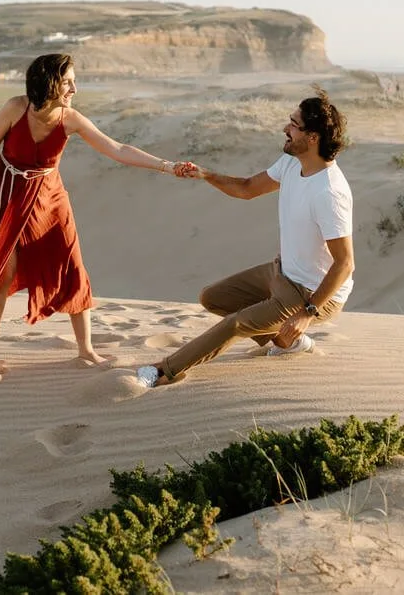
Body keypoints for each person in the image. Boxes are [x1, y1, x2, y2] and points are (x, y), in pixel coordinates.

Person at [0, 53, 188, 376]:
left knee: (73, 267)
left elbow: (117, 149)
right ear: (48, 83)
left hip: (50, 200)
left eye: (74, 82)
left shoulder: (70, 119)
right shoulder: (15, 108)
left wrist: (167, 166)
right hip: (6, 195)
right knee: (1, 273)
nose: (74, 89)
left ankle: (86, 349)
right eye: (67, 82)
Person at [140, 88, 354, 387]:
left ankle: (163, 372)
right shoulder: (292, 163)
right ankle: (289, 343)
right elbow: (247, 188)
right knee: (214, 298)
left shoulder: (329, 192)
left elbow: (345, 264)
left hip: (311, 293)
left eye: (294, 125)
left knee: (236, 324)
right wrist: (206, 174)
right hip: (282, 273)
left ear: (313, 137)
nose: (286, 128)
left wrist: (307, 313)